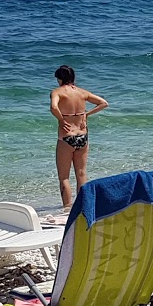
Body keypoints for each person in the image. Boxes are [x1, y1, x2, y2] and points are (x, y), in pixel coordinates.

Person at [51, 65, 109, 210]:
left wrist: (61, 120)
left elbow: (53, 107)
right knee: (81, 173)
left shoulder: (57, 92)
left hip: (67, 137)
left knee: (64, 177)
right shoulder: (82, 92)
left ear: (59, 78)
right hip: (83, 136)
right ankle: (83, 206)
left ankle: (67, 208)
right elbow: (103, 103)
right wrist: (86, 114)